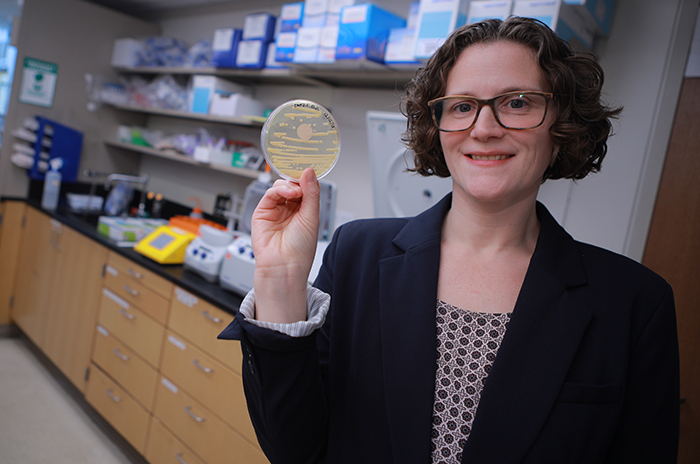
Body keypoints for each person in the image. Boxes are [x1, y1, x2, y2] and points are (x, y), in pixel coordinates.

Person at [219, 17, 680, 464]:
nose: (484, 128)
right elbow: (293, 449)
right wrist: (279, 279)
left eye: (518, 102)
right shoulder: (356, 254)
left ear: (562, 125)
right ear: (437, 129)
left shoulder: (634, 304)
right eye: (461, 106)